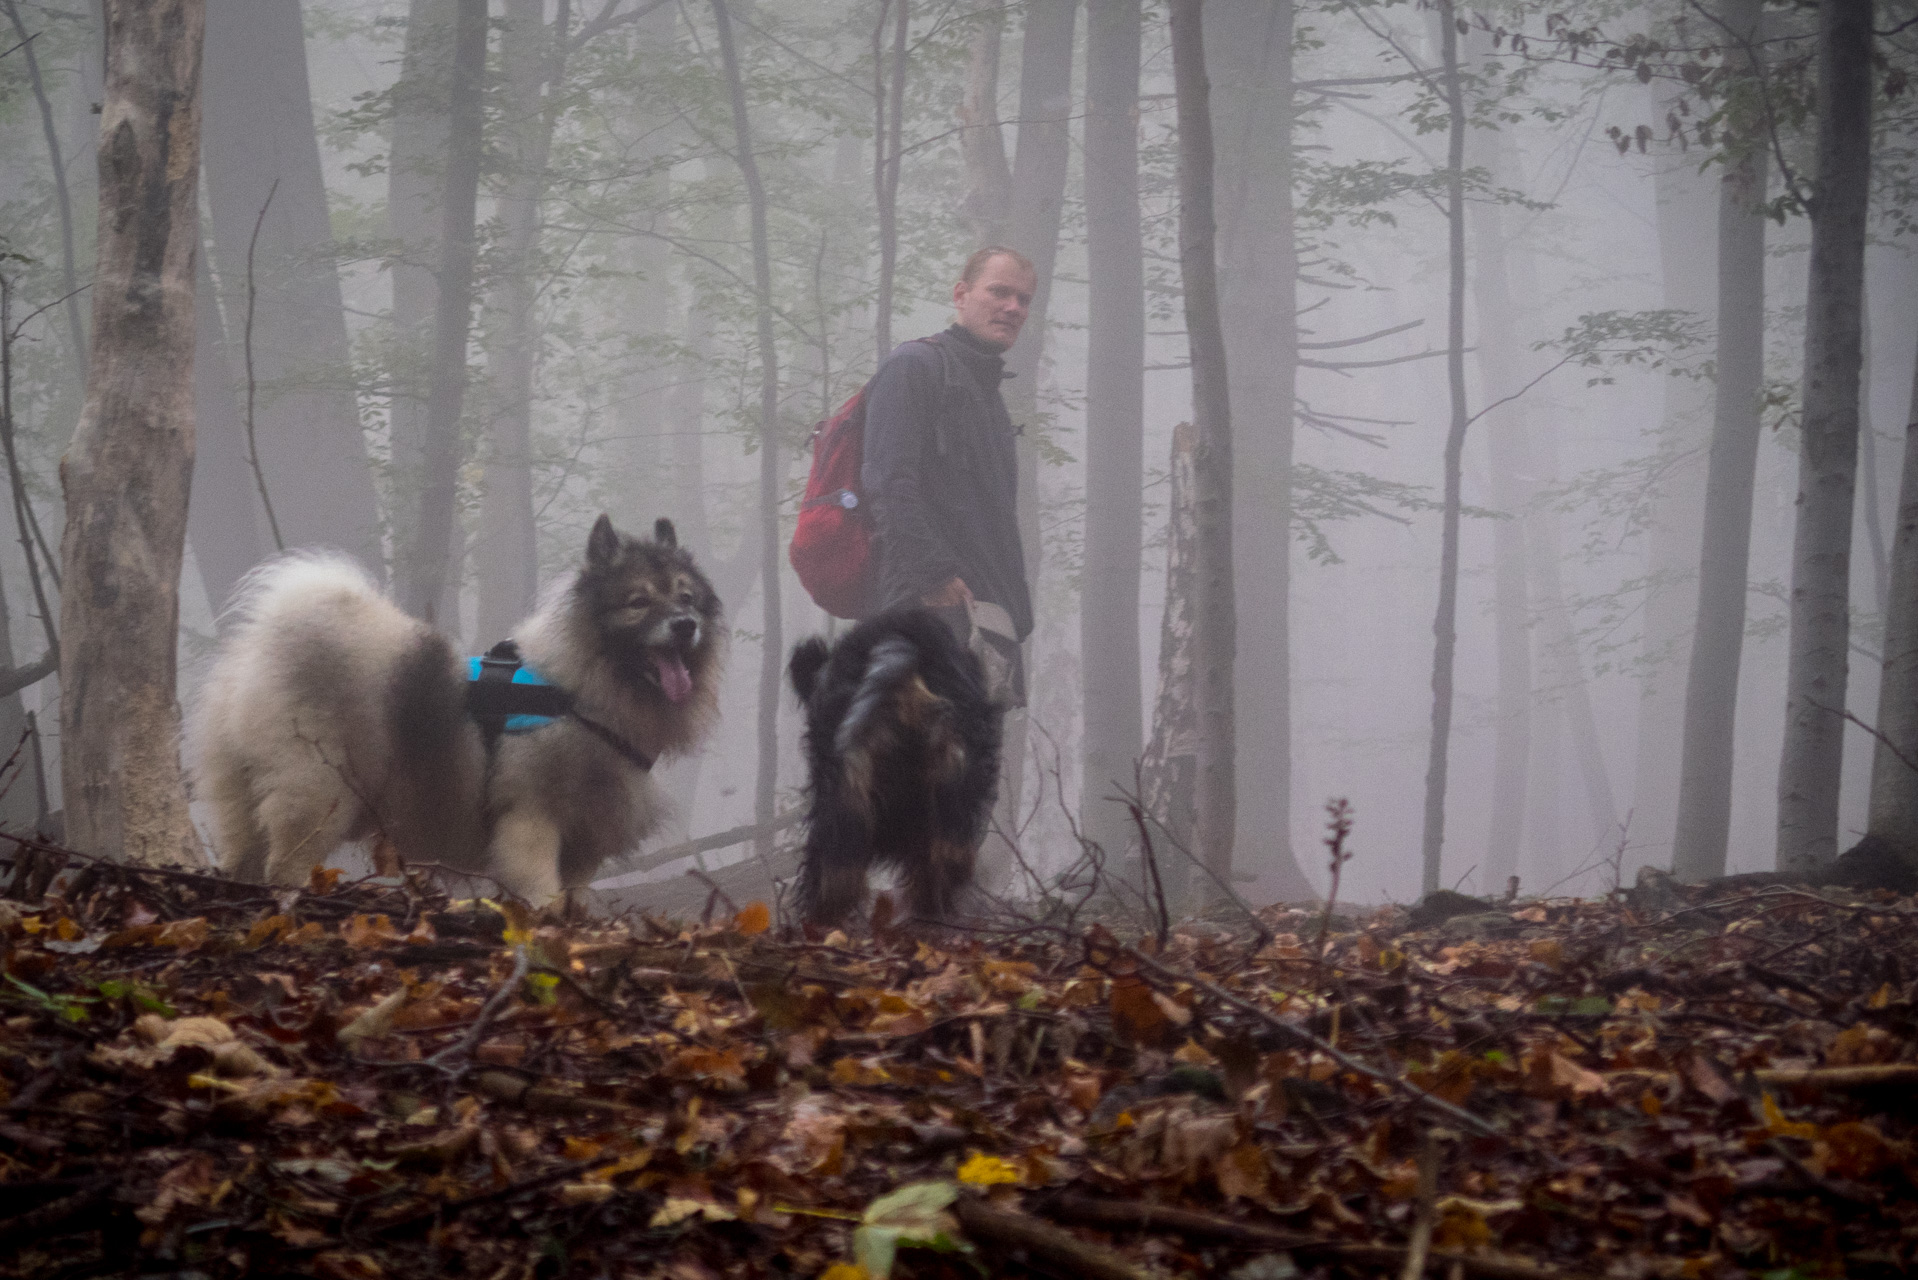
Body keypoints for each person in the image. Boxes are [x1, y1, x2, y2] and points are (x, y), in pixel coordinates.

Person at [860, 246, 1037, 704]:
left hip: (984, 618)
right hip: (927, 613)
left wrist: (1014, 613)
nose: (1013, 308)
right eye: (999, 292)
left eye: (1023, 300)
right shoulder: (914, 367)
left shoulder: (987, 394)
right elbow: (887, 479)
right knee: (918, 768)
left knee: (968, 771)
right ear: (961, 294)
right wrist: (932, 574)